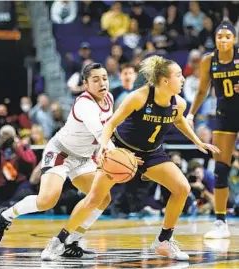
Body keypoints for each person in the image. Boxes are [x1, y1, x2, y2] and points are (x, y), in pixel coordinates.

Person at [60, 56, 220, 261]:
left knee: (182, 188)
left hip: (152, 153)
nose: (183, 79)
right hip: (122, 151)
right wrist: (104, 148)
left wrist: (198, 141)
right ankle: (61, 240)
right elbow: (110, 124)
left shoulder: (178, 103)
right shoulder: (139, 97)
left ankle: (163, 241)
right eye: (178, 75)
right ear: (163, 80)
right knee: (95, 198)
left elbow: (179, 121)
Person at [0, 63, 115, 261]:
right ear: (86, 84)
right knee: (47, 200)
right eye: (96, 79)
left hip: (84, 157)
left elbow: (108, 131)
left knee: (103, 197)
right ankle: (5, 216)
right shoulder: (84, 103)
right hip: (61, 153)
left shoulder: (109, 98)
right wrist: (115, 155)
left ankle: (71, 241)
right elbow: (100, 133)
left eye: (104, 78)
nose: (102, 83)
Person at [187, 20, 239, 238]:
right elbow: (201, 91)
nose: (223, 40)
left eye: (228, 37)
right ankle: (220, 222)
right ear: (216, 39)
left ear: (234, 39)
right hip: (225, 116)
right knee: (221, 168)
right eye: (220, 37)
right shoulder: (209, 60)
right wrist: (190, 114)